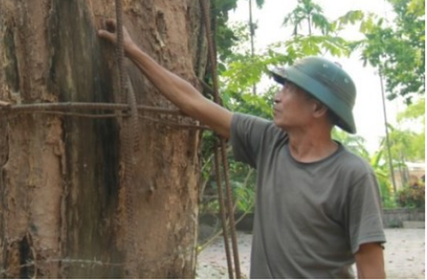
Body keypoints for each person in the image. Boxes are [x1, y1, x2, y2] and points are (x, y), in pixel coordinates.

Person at [98, 19, 386, 279]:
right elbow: (193, 103)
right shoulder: (269, 141)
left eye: (288, 89)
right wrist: (133, 51)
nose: (277, 96)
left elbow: (371, 269)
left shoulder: (353, 175)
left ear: (318, 107)